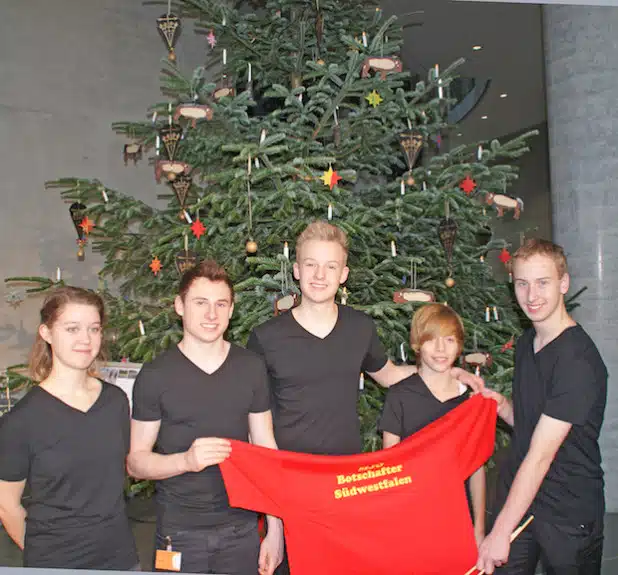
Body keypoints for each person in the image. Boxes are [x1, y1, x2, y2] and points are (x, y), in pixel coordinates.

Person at [247, 221, 483, 573]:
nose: (319, 275)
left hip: (346, 483)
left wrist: (449, 373)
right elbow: (259, 433)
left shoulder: (360, 328)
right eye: (310, 264)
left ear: (344, 274)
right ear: (296, 270)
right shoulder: (266, 338)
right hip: (290, 487)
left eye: (330, 266)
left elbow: (388, 375)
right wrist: (275, 523)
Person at [128, 260, 283, 575]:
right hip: (179, 534)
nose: (212, 314)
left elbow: (267, 451)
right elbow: (136, 463)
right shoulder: (156, 375)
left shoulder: (251, 368)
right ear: (180, 306)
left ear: (231, 309)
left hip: (242, 530)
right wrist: (185, 461)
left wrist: (275, 530)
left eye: (220, 304)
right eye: (201, 303)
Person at [477, 239, 607, 574]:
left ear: (564, 283)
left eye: (542, 282)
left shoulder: (577, 361)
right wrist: (503, 405)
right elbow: (533, 426)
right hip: (525, 499)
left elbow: (541, 455)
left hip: (568, 511)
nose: (531, 296)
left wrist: (500, 530)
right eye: (522, 283)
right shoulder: (527, 343)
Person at [0, 286, 138, 570]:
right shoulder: (22, 421)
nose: (85, 340)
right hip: (56, 562)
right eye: (72, 329)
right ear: (47, 333)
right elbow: (6, 505)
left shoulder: (116, 402)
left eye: (94, 329)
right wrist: (50, 557)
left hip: (120, 558)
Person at [380, 303, 486, 547]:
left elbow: (477, 469)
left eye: (449, 340)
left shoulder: (469, 399)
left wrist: (478, 529)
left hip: (457, 518)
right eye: (431, 340)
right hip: (412, 517)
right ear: (418, 344)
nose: (440, 349)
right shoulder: (400, 396)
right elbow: (389, 466)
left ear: (459, 345)